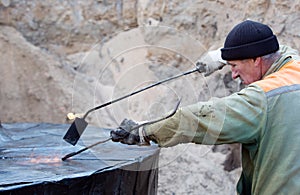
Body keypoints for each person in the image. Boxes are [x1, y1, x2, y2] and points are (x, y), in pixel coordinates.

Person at [110, 20, 300, 194]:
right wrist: (224, 55)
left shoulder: (262, 98)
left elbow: (201, 118)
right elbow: (279, 49)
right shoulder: (294, 66)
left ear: (256, 60)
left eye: (234, 66)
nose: (233, 75)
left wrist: (146, 130)